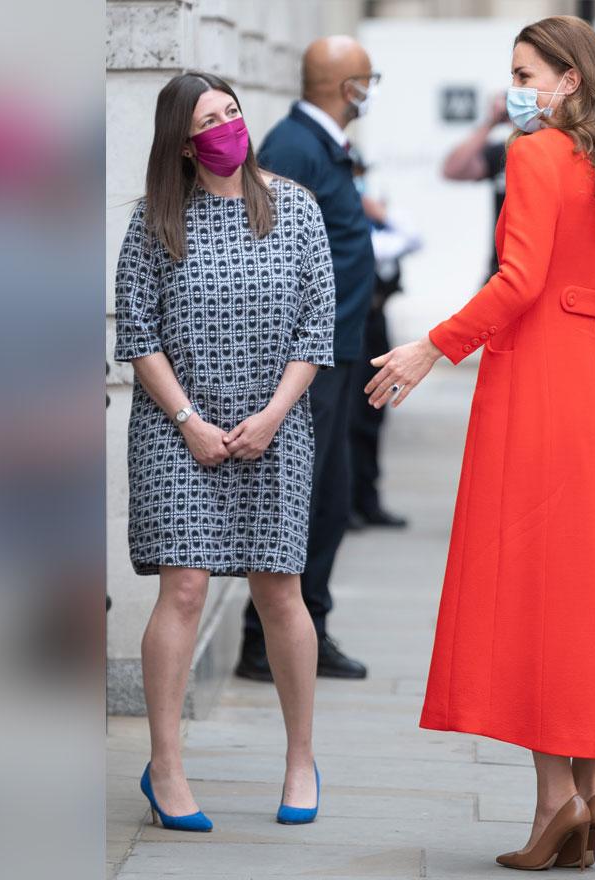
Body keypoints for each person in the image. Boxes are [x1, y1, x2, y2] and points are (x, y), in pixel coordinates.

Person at [364, 16, 595, 871]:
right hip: (579, 392)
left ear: (570, 80)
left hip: (529, 384)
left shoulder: (535, 157)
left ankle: (555, 804)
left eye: (526, 71)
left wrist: (433, 345)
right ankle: (589, 795)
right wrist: (582, 383)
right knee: (577, 597)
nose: (516, 86)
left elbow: (519, 279)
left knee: (529, 594)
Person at [113, 72, 334, 831]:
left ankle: (300, 758)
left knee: (281, 590)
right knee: (183, 589)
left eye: (233, 113)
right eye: (210, 120)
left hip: (275, 426)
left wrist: (273, 414)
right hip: (179, 431)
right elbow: (136, 334)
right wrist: (188, 421)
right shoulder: (153, 223)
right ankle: (166, 769)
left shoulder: (296, 209)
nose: (227, 128)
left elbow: (316, 329)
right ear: (182, 141)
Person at [234, 35, 379, 683]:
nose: (371, 92)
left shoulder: (320, 146)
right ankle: (266, 643)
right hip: (311, 358)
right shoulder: (293, 148)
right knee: (304, 497)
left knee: (331, 495)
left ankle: (307, 629)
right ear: (350, 89)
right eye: (368, 81)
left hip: (339, 350)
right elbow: (268, 252)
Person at [350, 150, 421, 529]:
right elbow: (377, 250)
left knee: (374, 411)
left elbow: (413, 237)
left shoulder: (377, 218)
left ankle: (369, 499)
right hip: (353, 324)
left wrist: (380, 213)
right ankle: (348, 505)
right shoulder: (348, 221)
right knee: (352, 416)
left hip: (375, 322)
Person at [441, 94, 513, 281]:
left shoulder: (550, 151)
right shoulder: (504, 152)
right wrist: (491, 122)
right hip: (499, 269)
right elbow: (452, 169)